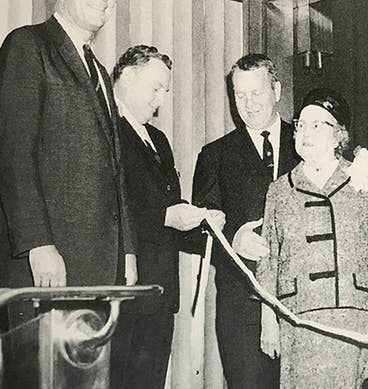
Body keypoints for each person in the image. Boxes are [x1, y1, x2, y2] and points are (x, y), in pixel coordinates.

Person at [256, 88, 368, 389]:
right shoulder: (280, 190)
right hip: (299, 315)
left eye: (317, 124)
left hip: (357, 312)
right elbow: (268, 259)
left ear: (339, 135)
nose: (304, 132)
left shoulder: (365, 176)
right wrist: (267, 319)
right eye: (300, 125)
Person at [108, 45, 225, 389]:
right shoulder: (104, 130)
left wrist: (203, 222)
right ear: (127, 77)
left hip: (160, 294)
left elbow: (168, 206)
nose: (160, 100)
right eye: (155, 88)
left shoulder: (157, 139)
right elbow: (109, 206)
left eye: (165, 91)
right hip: (124, 289)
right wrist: (165, 216)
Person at [0, 0, 136, 293]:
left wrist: (126, 249)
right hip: (47, 265)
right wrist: (37, 243)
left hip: (100, 265)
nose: (106, 2)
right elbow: (13, 155)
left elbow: (115, 167)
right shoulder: (28, 44)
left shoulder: (98, 69)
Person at [191, 53, 299, 389]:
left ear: (277, 90)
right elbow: (196, 231)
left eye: (257, 92)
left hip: (303, 304)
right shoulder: (215, 155)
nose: (248, 104)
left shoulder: (308, 141)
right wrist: (231, 241)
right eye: (240, 95)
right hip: (242, 309)